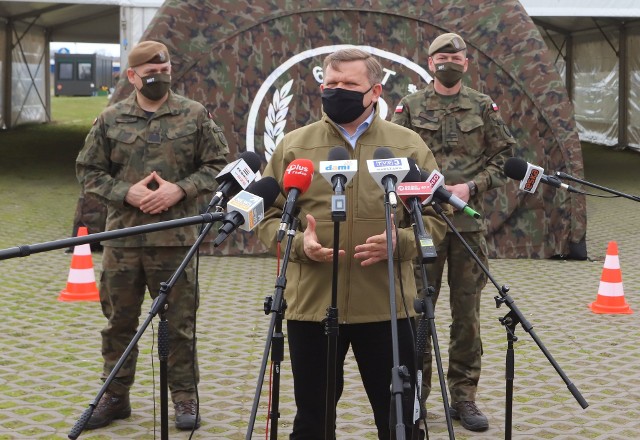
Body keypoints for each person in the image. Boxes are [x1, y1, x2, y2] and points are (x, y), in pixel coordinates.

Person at [254, 48, 447, 440]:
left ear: (374, 91)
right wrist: (295, 243)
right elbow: (266, 215)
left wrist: (402, 243)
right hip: (313, 306)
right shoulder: (294, 145)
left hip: (387, 307)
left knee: (400, 422)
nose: (336, 91)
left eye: (349, 84)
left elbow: (438, 222)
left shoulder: (407, 146)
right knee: (312, 422)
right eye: (331, 83)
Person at [76, 40, 229, 431]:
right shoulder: (111, 119)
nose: (159, 78)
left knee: (180, 323)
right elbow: (88, 171)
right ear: (132, 76)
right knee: (118, 323)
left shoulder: (194, 116)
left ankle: (184, 396)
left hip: (175, 240)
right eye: (150, 74)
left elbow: (218, 166)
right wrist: (126, 191)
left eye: (164, 72)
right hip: (124, 241)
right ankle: (115, 395)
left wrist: (180, 189)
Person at [391, 33, 515, 432]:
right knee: (418, 312)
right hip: (422, 224)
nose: (447, 62)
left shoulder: (482, 106)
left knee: (467, 317)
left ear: (465, 63)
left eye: (455, 57)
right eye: (440, 57)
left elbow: (504, 158)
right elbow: (390, 160)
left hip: (466, 226)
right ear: (429, 63)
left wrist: (472, 187)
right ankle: (416, 398)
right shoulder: (408, 107)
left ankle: (464, 397)